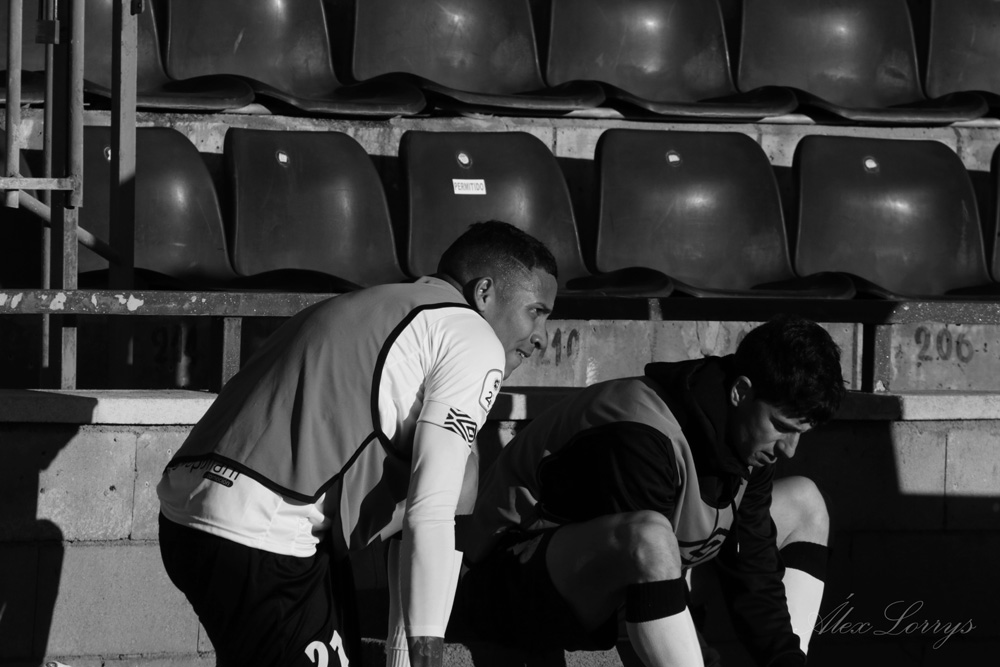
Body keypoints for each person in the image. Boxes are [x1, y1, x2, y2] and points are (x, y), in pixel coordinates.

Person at [157, 220, 559, 667]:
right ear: (484, 292)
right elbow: (431, 509)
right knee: (453, 474)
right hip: (262, 533)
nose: (542, 336)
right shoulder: (473, 337)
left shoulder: (372, 303)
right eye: (536, 311)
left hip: (187, 514)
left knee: (458, 468)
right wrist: (427, 650)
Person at [428, 314, 845, 667]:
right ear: (741, 392)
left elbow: (752, 568)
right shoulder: (640, 431)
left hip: (613, 574)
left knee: (805, 502)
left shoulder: (750, 441)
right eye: (782, 427)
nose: (789, 450)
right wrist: (695, 648)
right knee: (650, 535)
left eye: (800, 433)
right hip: (500, 583)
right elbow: (638, 569)